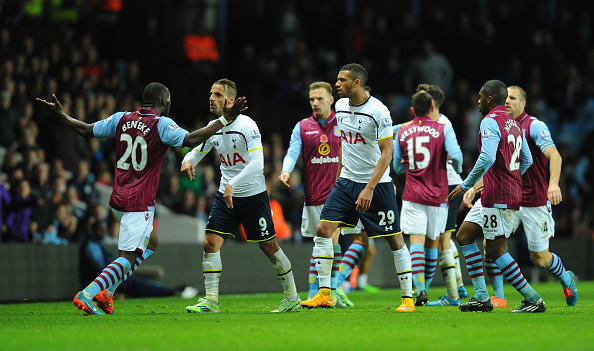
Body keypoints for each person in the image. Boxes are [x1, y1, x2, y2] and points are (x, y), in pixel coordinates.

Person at [36, 82, 246, 315]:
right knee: (127, 258)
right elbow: (191, 139)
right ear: (164, 102)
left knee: (151, 243)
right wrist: (225, 119)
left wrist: (62, 116)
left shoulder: (121, 118)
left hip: (117, 199)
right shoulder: (161, 124)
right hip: (137, 203)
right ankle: (88, 293)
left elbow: (86, 129)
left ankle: (109, 291)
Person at [300, 63, 414, 312]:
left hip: (377, 185)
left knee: (394, 240)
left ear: (357, 83)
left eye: (342, 80)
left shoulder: (379, 111)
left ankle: (407, 298)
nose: (337, 84)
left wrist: (370, 188)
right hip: (345, 183)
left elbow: (387, 153)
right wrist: (339, 178)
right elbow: (344, 145)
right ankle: (324, 293)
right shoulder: (340, 107)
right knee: (322, 229)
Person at [181, 78, 300, 313]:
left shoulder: (247, 126)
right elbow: (200, 150)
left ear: (231, 100)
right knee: (210, 243)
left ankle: (292, 297)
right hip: (226, 196)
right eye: (210, 94)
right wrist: (188, 159)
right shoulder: (214, 126)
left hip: (252, 196)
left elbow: (258, 164)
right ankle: (211, 301)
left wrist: (233, 183)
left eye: (217, 94)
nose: (211, 98)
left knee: (270, 247)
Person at [449, 79, 546, 313]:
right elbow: (527, 160)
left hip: (499, 195)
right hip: (497, 192)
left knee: (495, 250)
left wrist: (467, 184)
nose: (478, 100)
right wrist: (511, 178)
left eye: (481, 96)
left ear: (490, 99)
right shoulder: (513, 123)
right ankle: (482, 296)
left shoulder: (490, 121)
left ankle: (533, 299)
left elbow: (487, 158)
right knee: (464, 236)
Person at [477, 85, 577, 306]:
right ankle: (499, 296)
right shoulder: (499, 124)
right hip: (509, 197)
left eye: (513, 98)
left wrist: (553, 184)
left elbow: (555, 156)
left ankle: (567, 279)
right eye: (507, 98)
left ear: (523, 103)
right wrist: (478, 186)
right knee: (490, 243)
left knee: (539, 258)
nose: (508, 102)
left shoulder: (534, 126)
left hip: (534, 201)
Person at [393, 90, 463, 306]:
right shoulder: (442, 129)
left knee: (415, 242)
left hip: (413, 194)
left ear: (412, 110)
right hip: (438, 195)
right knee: (434, 243)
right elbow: (458, 157)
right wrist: (455, 168)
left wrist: (408, 168)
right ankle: (431, 288)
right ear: (432, 107)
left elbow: (396, 166)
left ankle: (420, 289)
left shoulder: (403, 133)